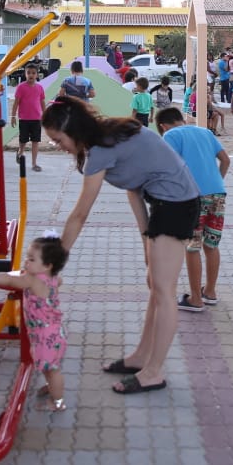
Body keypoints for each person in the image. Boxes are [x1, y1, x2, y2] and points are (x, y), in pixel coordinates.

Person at [42, 96, 200, 395]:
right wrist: (145, 241)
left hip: (177, 205)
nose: (58, 146)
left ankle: (153, 372)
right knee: (155, 283)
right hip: (167, 203)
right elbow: (133, 188)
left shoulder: (101, 150)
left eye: (57, 139)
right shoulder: (111, 135)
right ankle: (141, 357)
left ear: (72, 131)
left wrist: (56, 258)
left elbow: (79, 214)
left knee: (164, 291)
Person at [0, 233, 70, 412]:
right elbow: (59, 281)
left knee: (53, 369)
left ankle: (58, 402)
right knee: (48, 366)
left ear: (47, 265)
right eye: (27, 257)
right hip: (53, 332)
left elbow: (9, 279)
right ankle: (52, 388)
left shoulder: (32, 280)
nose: (26, 262)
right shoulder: (52, 278)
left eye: (32, 259)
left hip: (46, 335)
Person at [156, 107, 230, 313]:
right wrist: (216, 183)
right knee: (211, 245)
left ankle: (196, 298)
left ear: (163, 126)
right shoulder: (205, 132)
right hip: (217, 194)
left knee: (192, 246)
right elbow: (226, 160)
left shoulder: (170, 135)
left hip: (192, 198)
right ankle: (211, 292)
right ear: (180, 119)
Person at [12, 63, 46, 172]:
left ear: (37, 75)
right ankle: (20, 152)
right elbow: (16, 103)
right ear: (25, 74)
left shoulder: (40, 88)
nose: (31, 75)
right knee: (23, 140)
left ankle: (34, 163)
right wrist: (13, 116)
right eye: (28, 73)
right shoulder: (21, 87)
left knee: (35, 141)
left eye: (33, 73)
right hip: (24, 119)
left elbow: (42, 102)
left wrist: (44, 115)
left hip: (36, 119)